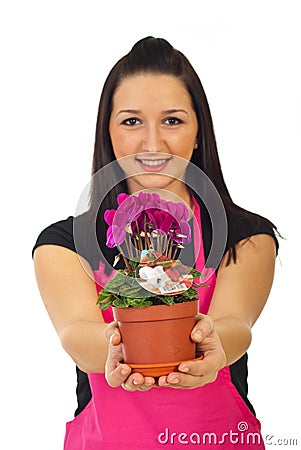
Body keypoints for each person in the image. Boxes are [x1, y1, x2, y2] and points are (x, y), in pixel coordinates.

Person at [33, 37, 279, 449]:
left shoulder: (246, 238)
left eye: (172, 121)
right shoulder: (65, 244)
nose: (152, 144)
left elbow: (236, 323)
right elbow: (77, 332)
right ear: (107, 132)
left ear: (199, 132)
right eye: (131, 122)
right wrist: (114, 351)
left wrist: (214, 345)